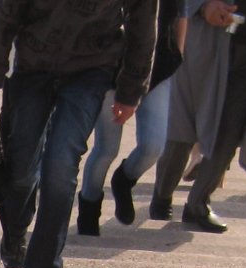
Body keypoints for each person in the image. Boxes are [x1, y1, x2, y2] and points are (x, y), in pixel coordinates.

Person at [0, 0, 159, 268]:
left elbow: (142, 22)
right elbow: (5, 10)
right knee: (20, 168)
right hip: (33, 63)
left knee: (61, 164)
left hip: (91, 70)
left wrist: (131, 89)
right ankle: (15, 232)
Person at [149, 0, 246, 231]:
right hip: (205, 41)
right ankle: (162, 196)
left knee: (231, 131)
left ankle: (198, 204)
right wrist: (204, 5)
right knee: (183, 127)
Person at [77, 0, 187, 234]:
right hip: (110, 67)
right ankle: (89, 209)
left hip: (159, 67)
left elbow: (181, 10)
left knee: (153, 147)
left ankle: (124, 180)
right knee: (107, 149)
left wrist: (177, 54)